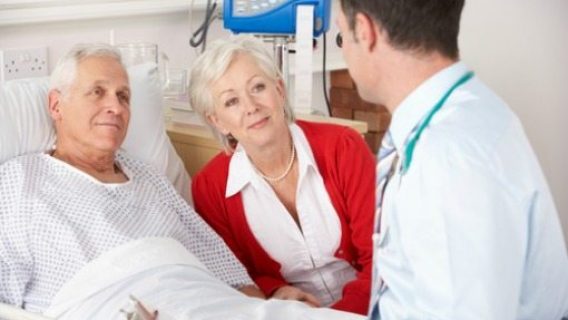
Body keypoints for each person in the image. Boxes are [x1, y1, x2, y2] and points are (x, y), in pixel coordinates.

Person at [336, 0, 568, 319]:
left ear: (365, 31)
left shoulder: (448, 159)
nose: (345, 53)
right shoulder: (464, 112)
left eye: (341, 37)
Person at [0, 43, 264, 314]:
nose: (115, 106)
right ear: (56, 105)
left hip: (203, 303)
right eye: (97, 92)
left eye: (123, 96)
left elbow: (230, 274)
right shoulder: (20, 181)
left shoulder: (149, 177)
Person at [189, 35, 375, 315]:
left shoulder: (344, 147)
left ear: (280, 90)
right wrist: (273, 290)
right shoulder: (210, 187)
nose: (251, 106)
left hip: (374, 304)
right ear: (217, 121)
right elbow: (234, 276)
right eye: (231, 102)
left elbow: (384, 259)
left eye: (258, 87)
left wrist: (338, 315)